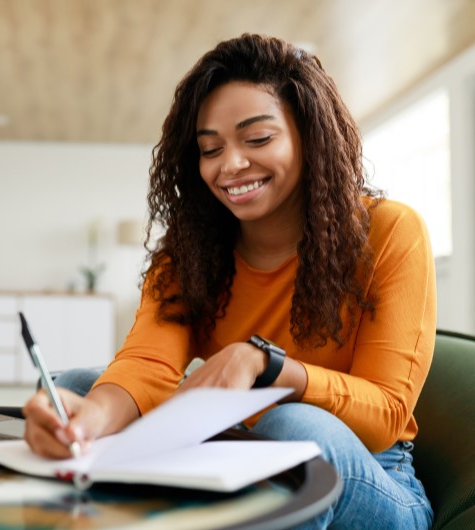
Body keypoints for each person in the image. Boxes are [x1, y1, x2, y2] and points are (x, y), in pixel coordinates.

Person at [22, 33, 436, 529]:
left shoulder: (392, 231)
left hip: (371, 476)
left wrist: (263, 363)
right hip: (237, 448)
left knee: (293, 425)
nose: (231, 165)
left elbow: (386, 413)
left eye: (257, 139)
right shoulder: (191, 249)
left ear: (310, 134)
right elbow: (147, 363)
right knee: (79, 389)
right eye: (210, 148)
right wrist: (86, 426)